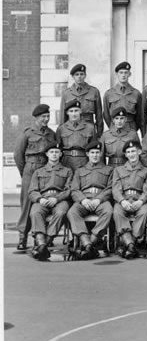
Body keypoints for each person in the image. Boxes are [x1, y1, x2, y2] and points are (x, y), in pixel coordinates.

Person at [13, 104, 56, 250]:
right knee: (27, 204)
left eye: (47, 116)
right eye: (43, 117)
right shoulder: (28, 133)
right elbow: (18, 154)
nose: (46, 119)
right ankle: (22, 237)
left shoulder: (51, 134)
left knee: (43, 204)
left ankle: (40, 238)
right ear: (36, 118)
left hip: (45, 171)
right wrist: (24, 172)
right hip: (30, 169)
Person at [67, 140, 114, 260]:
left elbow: (110, 188)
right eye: (92, 152)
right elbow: (75, 190)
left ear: (101, 154)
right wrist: (83, 200)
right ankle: (86, 242)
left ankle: (91, 241)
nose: (95, 155)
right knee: (72, 212)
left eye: (97, 152)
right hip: (85, 200)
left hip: (100, 200)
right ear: (87, 154)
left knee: (108, 211)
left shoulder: (109, 170)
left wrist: (99, 199)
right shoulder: (80, 170)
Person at [28, 142, 73, 260]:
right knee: (35, 212)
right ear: (47, 154)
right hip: (42, 199)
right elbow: (32, 191)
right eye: (52, 152)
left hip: (60, 199)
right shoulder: (38, 171)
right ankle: (43, 244)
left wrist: (57, 199)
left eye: (57, 152)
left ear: (61, 154)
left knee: (62, 212)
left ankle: (44, 243)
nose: (54, 154)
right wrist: (40, 199)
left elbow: (69, 190)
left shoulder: (67, 171)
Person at [112, 140, 147, 259]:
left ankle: (129, 242)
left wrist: (141, 201)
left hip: (139, 200)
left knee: (145, 211)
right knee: (117, 211)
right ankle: (131, 245)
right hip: (124, 200)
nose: (131, 154)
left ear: (139, 152)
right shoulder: (118, 170)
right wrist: (122, 201)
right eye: (128, 152)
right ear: (126, 155)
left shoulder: (146, 171)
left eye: (133, 151)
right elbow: (116, 189)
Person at [59, 63, 103, 137]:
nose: (79, 77)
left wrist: (99, 134)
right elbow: (63, 116)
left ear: (85, 75)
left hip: (89, 130)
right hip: (71, 130)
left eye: (81, 74)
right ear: (73, 76)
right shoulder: (66, 93)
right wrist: (62, 133)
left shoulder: (94, 91)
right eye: (77, 74)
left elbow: (99, 116)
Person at [102, 61, 143, 134]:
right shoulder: (109, 93)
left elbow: (139, 116)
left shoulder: (136, 93)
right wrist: (113, 125)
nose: (123, 75)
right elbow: (106, 114)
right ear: (116, 74)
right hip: (114, 128)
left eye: (126, 73)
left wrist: (133, 128)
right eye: (121, 73)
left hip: (130, 127)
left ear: (129, 74)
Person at [56, 99, 96, 171]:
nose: (74, 114)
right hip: (66, 161)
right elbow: (58, 148)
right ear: (67, 113)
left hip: (84, 161)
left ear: (80, 111)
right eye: (71, 111)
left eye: (76, 111)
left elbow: (93, 148)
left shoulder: (90, 128)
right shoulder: (61, 129)